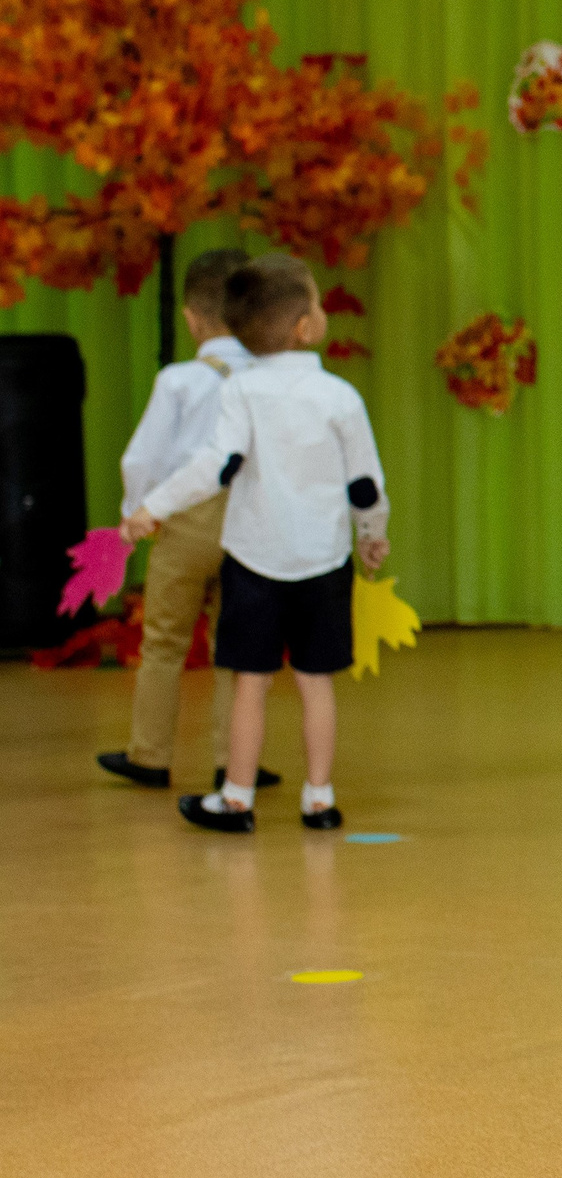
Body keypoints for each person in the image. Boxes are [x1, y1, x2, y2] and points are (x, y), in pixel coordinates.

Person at [121, 255, 390, 835]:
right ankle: (319, 798)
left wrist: (151, 507)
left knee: (251, 682)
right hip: (323, 561)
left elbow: (212, 468)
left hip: (254, 561)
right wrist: (371, 534)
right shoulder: (340, 396)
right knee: (316, 684)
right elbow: (364, 480)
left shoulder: (240, 393)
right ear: (305, 326)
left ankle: (235, 798)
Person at [94, 248, 274, 796]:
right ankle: (233, 760)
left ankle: (150, 755)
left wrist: (135, 512)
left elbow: (142, 458)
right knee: (238, 647)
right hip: (251, 520)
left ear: (193, 318)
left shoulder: (179, 380)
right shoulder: (269, 379)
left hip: (187, 519)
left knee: (165, 642)